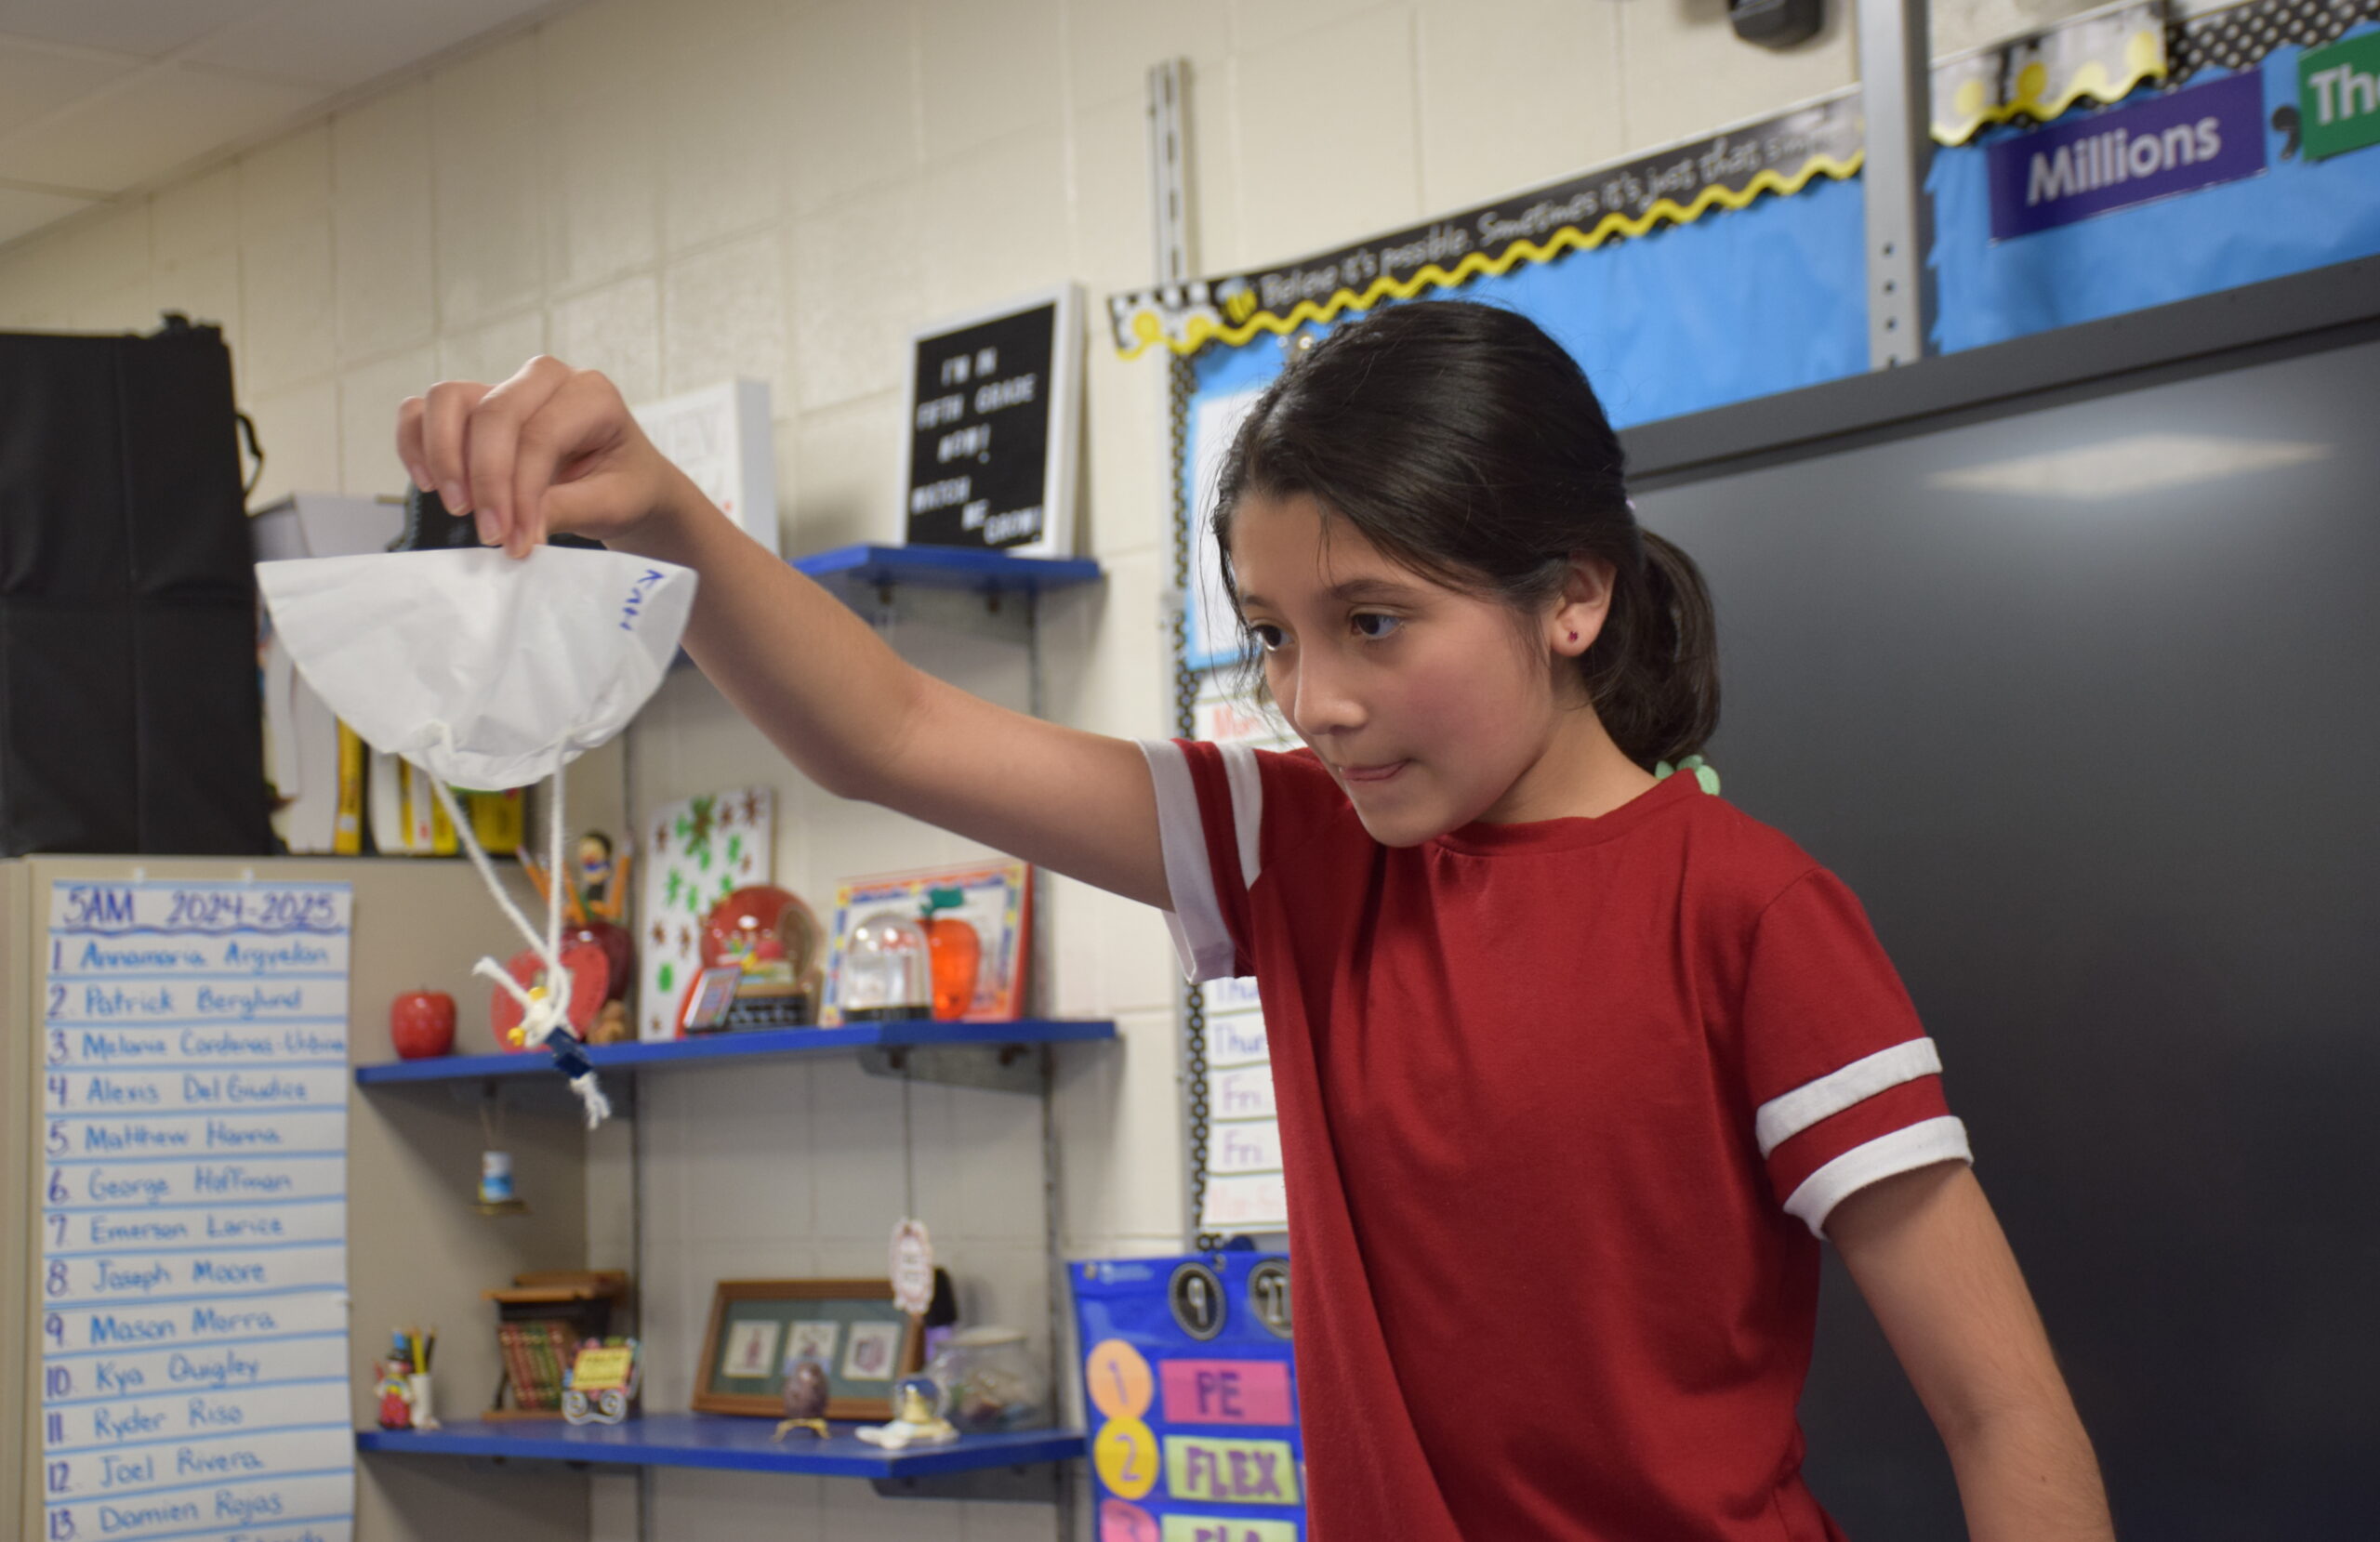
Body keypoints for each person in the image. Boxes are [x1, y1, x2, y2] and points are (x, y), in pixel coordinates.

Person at [396, 299, 2114, 1541]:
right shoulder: (1289, 846)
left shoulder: (1747, 911)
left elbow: (2003, 1410)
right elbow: (889, 731)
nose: (1316, 701)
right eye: (1276, 636)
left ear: (1574, 595)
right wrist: (668, 513)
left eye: (1375, 622)